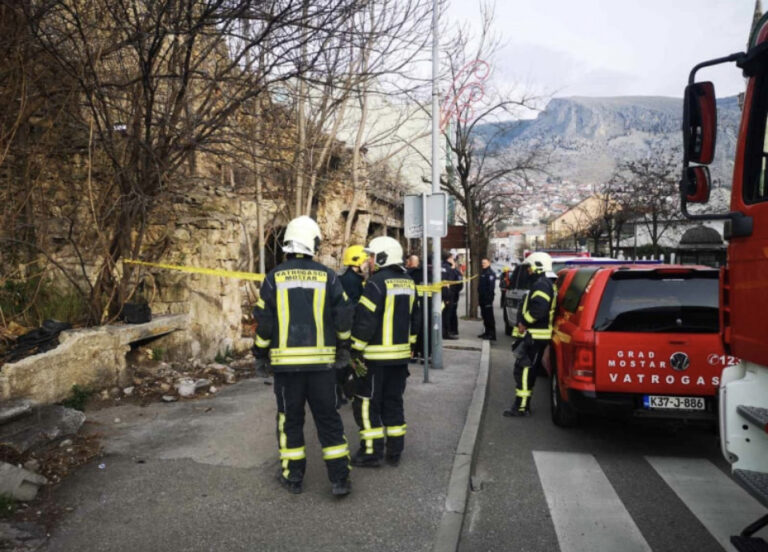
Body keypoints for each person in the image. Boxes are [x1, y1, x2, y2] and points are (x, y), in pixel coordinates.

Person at [253, 216, 353, 496]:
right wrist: (343, 348)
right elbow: (344, 316)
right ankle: (339, 479)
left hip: (286, 370)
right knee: (328, 419)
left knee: (290, 420)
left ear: (289, 244)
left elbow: (265, 322)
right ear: (313, 243)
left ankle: (293, 477)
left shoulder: (273, 278)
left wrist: (260, 354)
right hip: (323, 367)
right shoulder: (328, 276)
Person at [349, 236, 421, 467]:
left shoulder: (376, 283)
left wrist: (354, 350)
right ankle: (395, 451)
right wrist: (410, 346)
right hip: (400, 359)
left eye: (371, 256)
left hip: (374, 359)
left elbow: (365, 322)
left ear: (381, 257)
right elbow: (416, 318)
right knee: (393, 402)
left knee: (367, 403)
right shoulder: (409, 282)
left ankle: (371, 452)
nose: (368, 260)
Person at [503, 252, 556, 418]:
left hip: (534, 336)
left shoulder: (541, 285)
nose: (528, 271)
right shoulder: (544, 283)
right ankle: (522, 405)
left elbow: (539, 309)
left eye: (529, 267)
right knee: (526, 369)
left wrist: (524, 322)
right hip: (536, 336)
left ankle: (521, 407)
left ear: (537, 266)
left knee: (524, 370)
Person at [336, 245, 370, 405]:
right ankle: (342, 390)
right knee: (346, 362)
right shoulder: (351, 280)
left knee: (347, 361)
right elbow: (351, 305)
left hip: (348, 324)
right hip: (349, 325)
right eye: (365, 261)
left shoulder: (353, 278)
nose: (367, 264)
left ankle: (343, 390)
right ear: (356, 261)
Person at [441, 251, 461, 340]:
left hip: (446, 294)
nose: (453, 259)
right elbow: (451, 279)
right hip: (448, 294)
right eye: (452, 258)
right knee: (447, 315)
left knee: (447, 314)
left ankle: (448, 331)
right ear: (449, 258)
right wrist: (453, 267)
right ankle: (446, 333)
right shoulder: (448, 268)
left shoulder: (443, 266)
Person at [477, 258, 497, 340]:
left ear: (489, 263)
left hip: (487, 299)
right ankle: (487, 332)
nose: (483, 264)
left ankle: (492, 334)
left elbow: (491, 288)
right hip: (482, 298)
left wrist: (489, 298)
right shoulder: (483, 272)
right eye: (482, 263)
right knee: (484, 316)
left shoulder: (490, 273)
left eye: (485, 263)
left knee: (489, 317)